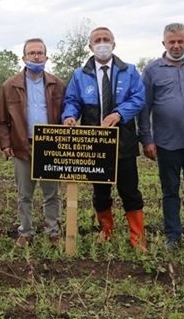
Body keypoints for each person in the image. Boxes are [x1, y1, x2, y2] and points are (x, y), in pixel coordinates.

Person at [62, 26, 146, 251]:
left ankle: (137, 237)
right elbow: (72, 100)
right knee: (100, 192)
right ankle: (106, 231)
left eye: (106, 39)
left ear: (114, 44)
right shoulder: (80, 75)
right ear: (90, 46)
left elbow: (139, 98)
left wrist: (120, 113)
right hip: (94, 143)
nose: (102, 43)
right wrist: (69, 116)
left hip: (124, 142)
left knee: (130, 190)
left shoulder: (129, 71)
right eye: (97, 40)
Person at [138, 23, 184, 250]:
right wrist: (147, 139)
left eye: (180, 41)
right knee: (170, 191)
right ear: (164, 44)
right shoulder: (151, 70)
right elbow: (144, 108)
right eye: (172, 42)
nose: (176, 45)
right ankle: (173, 236)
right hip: (167, 143)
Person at [0, 38, 64, 247]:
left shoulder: (57, 84)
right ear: (24, 57)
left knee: (52, 193)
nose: (36, 56)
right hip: (23, 146)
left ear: (46, 57)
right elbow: (0, 120)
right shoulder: (10, 86)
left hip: (50, 145)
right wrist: (6, 144)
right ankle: (25, 232)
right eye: (31, 53)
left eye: (39, 53)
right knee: (25, 194)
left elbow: (65, 113)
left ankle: (53, 231)